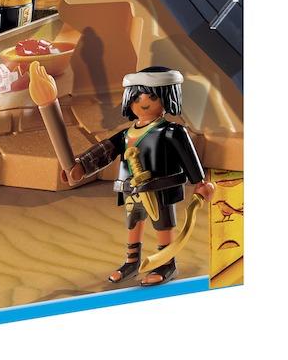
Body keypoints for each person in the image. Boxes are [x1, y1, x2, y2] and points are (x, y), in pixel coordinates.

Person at [65, 69, 215, 287]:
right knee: (134, 223)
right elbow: (105, 151)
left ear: (167, 97)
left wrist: (200, 182)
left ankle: (167, 263)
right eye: (137, 97)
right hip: (131, 188)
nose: (143, 102)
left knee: (163, 225)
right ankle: (131, 262)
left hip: (160, 188)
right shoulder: (126, 135)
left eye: (152, 96)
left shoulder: (172, 131)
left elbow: (188, 158)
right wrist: (82, 165)